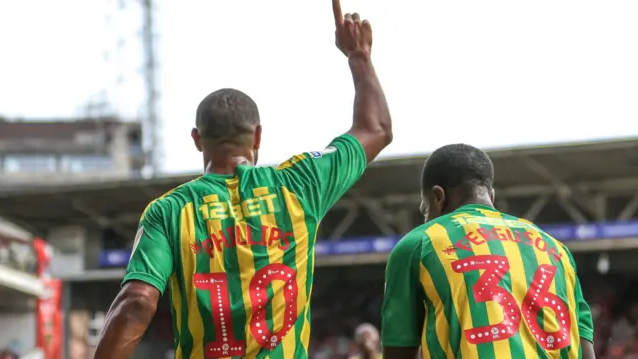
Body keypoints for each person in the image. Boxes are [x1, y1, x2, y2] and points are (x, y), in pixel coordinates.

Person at [93, 0, 392, 357]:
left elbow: (138, 301)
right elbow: (376, 129)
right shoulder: (299, 184)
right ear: (258, 137)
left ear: (197, 139)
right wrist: (358, 55)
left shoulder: (168, 212)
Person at [381, 144, 595, 359]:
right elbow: (585, 350)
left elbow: (399, 351)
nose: (425, 218)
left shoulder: (419, 243)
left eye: (424, 209)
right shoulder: (557, 250)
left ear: (438, 197)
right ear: (491, 195)